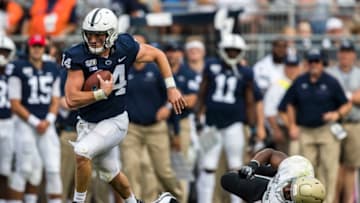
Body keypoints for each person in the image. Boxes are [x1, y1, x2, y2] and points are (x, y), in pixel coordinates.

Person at [62, 8, 186, 203]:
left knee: (82, 152)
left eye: (99, 35)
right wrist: (101, 93)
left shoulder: (125, 46)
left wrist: (171, 87)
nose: (93, 40)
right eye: (90, 34)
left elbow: (158, 55)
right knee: (110, 173)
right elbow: (71, 99)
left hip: (115, 120)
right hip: (88, 123)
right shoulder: (78, 55)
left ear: (111, 34)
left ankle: (78, 201)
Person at [196, 33, 265, 203]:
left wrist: (253, 127)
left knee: (237, 168)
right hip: (211, 125)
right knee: (207, 167)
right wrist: (197, 117)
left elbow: (250, 102)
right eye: (229, 50)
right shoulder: (211, 66)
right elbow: (202, 93)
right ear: (222, 50)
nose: (232, 54)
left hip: (234, 125)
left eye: (236, 51)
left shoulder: (246, 72)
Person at [280, 48, 352, 203]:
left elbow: (346, 105)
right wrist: (291, 125)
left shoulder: (331, 82)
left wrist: (337, 114)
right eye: (311, 61)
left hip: (327, 130)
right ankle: (307, 200)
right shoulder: (299, 81)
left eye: (317, 61)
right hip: (306, 131)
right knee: (306, 170)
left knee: (329, 169)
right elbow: (288, 105)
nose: (314, 64)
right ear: (307, 63)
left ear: (322, 63)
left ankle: (328, 200)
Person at [120, 34, 183, 202]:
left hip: (156, 127)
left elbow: (173, 96)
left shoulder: (156, 69)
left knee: (164, 170)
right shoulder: (123, 69)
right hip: (131, 127)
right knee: (131, 167)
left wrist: (168, 111)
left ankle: (179, 198)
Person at [7, 34, 62, 203]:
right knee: (24, 168)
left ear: (44, 47)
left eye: (39, 46)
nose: (37, 49)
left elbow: (55, 99)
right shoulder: (18, 67)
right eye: (34, 46)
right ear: (28, 47)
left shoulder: (52, 67)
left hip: (47, 123)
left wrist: (49, 120)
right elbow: (14, 103)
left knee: (53, 169)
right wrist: (35, 121)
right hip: (25, 123)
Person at [221, 148, 326, 203]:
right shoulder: (297, 168)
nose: (285, 190)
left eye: (289, 195)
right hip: (271, 181)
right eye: (290, 185)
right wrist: (252, 166)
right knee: (228, 179)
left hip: (263, 197)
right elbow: (271, 153)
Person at [326, 39, 360, 203]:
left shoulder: (359, 73)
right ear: (339, 54)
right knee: (335, 166)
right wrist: (351, 96)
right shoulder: (331, 73)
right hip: (334, 124)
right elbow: (328, 97)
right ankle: (334, 200)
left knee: (351, 166)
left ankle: (348, 201)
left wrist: (346, 97)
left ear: (353, 54)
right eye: (343, 51)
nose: (345, 55)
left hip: (354, 123)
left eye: (348, 52)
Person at [0, 34, 16, 203]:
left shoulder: (15, 71)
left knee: (7, 169)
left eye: (4, 52)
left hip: (10, 123)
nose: (1, 55)